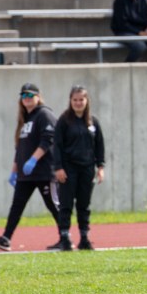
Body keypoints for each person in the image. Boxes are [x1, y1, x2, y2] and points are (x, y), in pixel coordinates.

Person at [0, 83, 61, 252]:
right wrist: (15, 170)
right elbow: (19, 148)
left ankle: (65, 237)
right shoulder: (25, 119)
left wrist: (33, 160)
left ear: (38, 96)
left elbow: (48, 139)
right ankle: (6, 238)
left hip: (43, 171)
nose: (26, 99)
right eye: (24, 96)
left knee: (53, 205)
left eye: (30, 95)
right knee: (17, 205)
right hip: (26, 174)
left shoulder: (44, 114)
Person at [51, 85, 105, 251]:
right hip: (68, 169)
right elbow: (57, 146)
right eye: (75, 100)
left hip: (86, 169)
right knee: (66, 204)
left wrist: (100, 166)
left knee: (84, 204)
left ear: (86, 100)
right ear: (70, 101)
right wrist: (58, 168)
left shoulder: (93, 121)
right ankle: (65, 238)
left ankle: (84, 238)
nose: (78, 103)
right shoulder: (64, 120)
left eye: (81, 99)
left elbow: (99, 145)